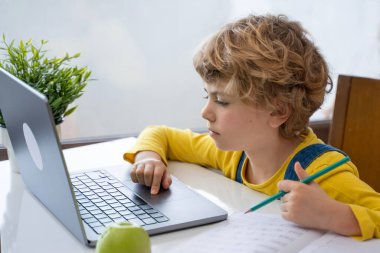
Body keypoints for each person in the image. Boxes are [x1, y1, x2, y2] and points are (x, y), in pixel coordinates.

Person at [124, 14, 380, 240]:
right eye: (208, 97)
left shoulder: (324, 175)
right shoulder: (234, 153)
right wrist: (149, 157)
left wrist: (335, 215)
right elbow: (160, 134)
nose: (206, 112)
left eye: (222, 101)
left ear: (278, 112)